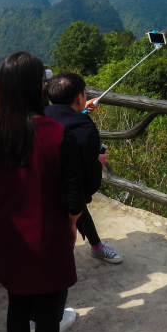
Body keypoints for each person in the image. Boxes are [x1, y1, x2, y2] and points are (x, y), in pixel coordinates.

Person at [0, 51, 86, 332]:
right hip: (51, 234)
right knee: (48, 313)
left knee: (17, 307)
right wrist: (71, 226)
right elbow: (73, 197)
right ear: (37, 86)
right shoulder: (58, 134)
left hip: (10, 235)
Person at [45, 72, 122, 264]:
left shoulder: (42, 115)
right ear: (80, 97)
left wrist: (79, 111)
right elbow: (88, 184)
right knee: (64, 243)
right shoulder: (86, 130)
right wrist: (98, 163)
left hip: (42, 187)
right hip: (67, 192)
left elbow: (62, 121)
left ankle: (96, 246)